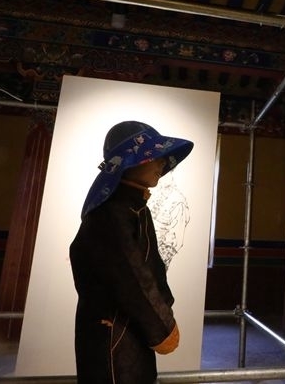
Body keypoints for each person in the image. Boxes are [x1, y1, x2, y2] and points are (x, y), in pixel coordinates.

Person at [69, 120, 194, 384]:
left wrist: (164, 310)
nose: (163, 163)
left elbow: (152, 268)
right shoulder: (111, 214)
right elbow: (133, 279)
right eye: (155, 156)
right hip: (113, 335)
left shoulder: (135, 208)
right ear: (129, 162)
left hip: (131, 329)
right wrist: (162, 326)